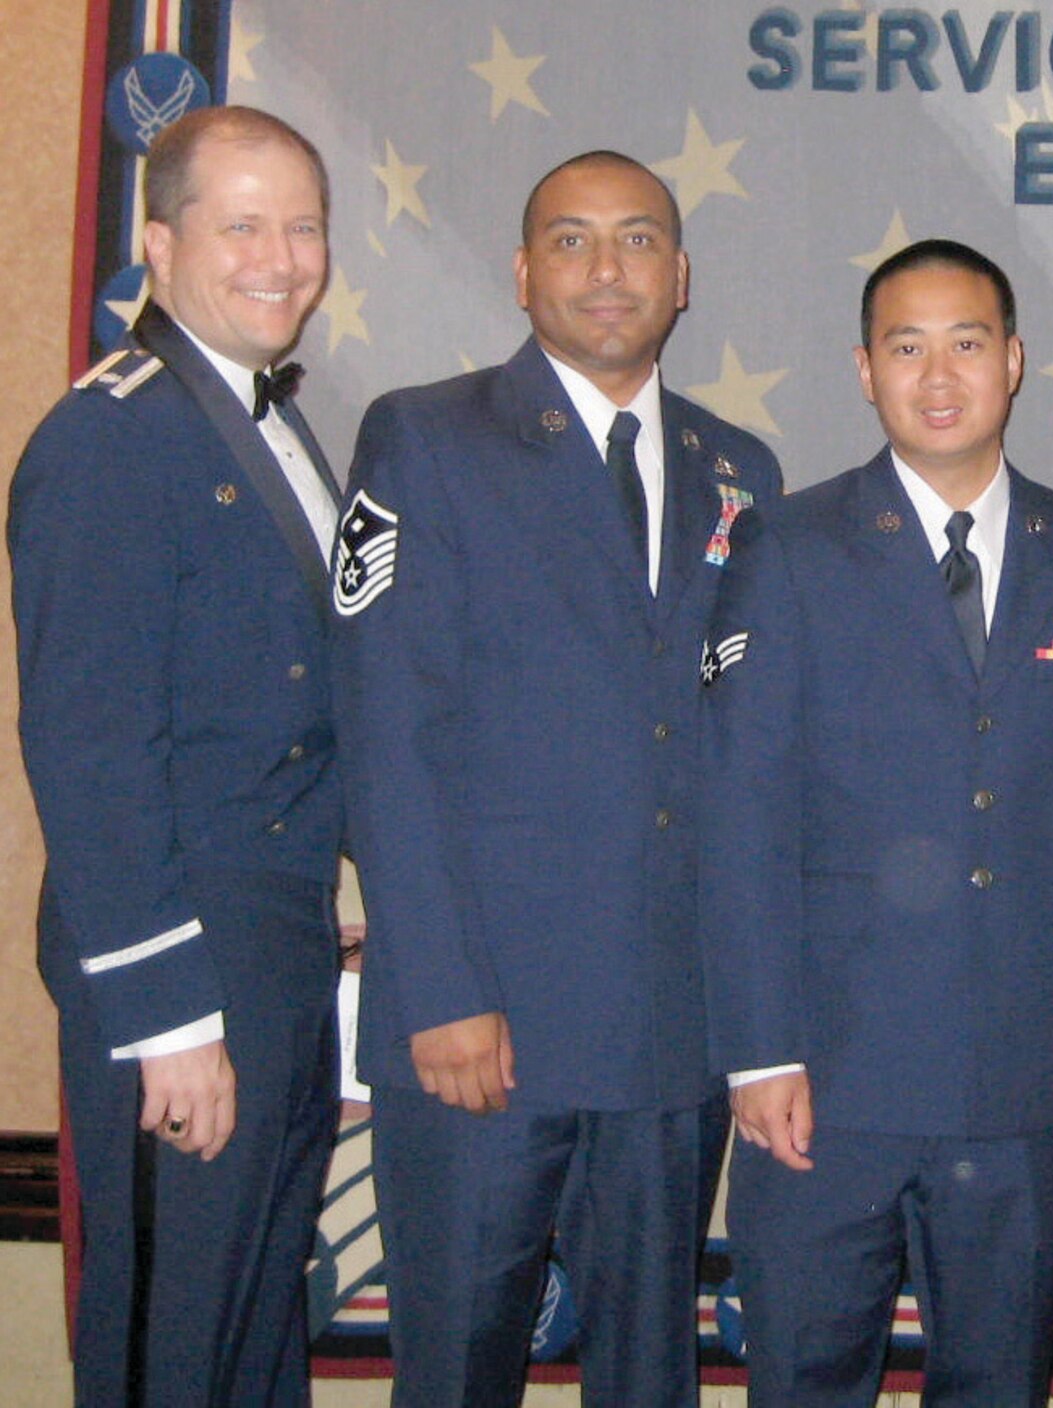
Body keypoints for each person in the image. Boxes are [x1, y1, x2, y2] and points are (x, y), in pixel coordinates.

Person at [330, 150, 781, 1405]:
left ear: (680, 277)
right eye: (570, 241)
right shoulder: (425, 436)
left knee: (651, 1375)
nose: (606, 268)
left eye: (637, 240)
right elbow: (386, 731)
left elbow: (745, 748)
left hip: (665, 1030)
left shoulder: (741, 469)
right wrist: (440, 987)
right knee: (460, 1367)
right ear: (523, 270)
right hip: (486, 1026)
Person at [699, 238, 1053, 1406]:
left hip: (1020, 1077)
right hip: (823, 1081)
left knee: (998, 1384)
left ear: (1012, 362)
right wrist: (758, 1047)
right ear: (862, 369)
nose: (936, 374)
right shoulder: (785, 548)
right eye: (905, 346)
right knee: (803, 1380)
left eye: (964, 343)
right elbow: (740, 813)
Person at [9, 105, 343, 1405]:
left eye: (304, 225)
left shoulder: (256, 421)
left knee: (255, 1333)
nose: (281, 256)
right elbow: (91, 751)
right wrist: (168, 1021)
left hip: (272, 942)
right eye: (242, 224)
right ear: (156, 242)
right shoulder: (111, 437)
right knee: (171, 1347)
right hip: (186, 965)